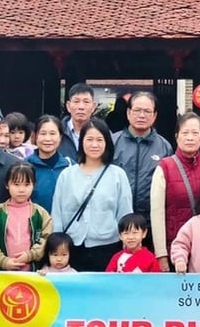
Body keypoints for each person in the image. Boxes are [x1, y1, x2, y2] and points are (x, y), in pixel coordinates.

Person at [50, 118, 133, 272]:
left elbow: (125, 214)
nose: (94, 144)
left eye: (99, 140)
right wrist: (57, 245)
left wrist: (127, 247)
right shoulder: (67, 175)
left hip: (108, 247)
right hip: (72, 247)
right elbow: (57, 213)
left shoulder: (117, 175)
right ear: (81, 142)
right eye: (89, 139)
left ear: (107, 143)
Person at [151, 113, 200, 271]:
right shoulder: (164, 167)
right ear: (177, 136)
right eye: (185, 133)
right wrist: (161, 254)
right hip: (175, 247)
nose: (190, 138)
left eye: (195, 133)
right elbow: (156, 213)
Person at [112, 91, 173, 225]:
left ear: (154, 115)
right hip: (117, 217)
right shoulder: (112, 142)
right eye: (137, 110)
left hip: (151, 219)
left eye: (147, 111)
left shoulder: (164, 146)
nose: (141, 115)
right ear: (128, 113)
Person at [0, 164, 53, 271]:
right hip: (2, 276)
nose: (21, 190)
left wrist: (30, 255)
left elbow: (47, 240)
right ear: (7, 185)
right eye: (16, 184)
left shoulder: (40, 213)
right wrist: (3, 261)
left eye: (27, 184)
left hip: (33, 274)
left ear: (34, 185)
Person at [27, 115, 72, 214]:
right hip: (35, 225)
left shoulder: (70, 166)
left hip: (64, 227)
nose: (48, 139)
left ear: (60, 137)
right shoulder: (25, 166)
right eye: (43, 133)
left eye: (52, 134)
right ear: (35, 136)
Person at [57, 83, 98, 160]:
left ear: (93, 106)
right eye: (76, 101)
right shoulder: (57, 131)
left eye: (86, 102)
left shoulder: (102, 133)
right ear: (68, 106)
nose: (81, 107)